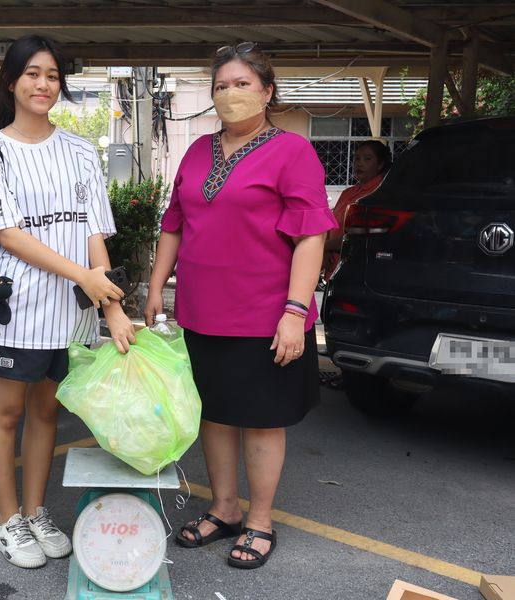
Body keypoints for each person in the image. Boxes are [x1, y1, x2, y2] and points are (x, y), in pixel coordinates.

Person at [144, 42, 337, 569]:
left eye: (242, 84)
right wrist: (156, 286)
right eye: (221, 86)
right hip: (202, 312)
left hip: (267, 315)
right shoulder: (197, 151)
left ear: (267, 91)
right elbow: (173, 223)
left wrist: (296, 311)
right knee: (216, 414)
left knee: (262, 419)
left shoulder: (293, 152)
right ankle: (224, 508)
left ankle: (260, 521)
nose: (230, 94)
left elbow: (311, 236)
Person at [0, 34, 135, 569]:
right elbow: (9, 235)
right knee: (6, 413)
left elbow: (93, 234)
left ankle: (36, 511)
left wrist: (110, 305)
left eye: (53, 76)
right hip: (17, 311)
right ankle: (8, 521)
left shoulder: (82, 151)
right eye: (33, 74)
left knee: (47, 412)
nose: (44, 84)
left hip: (73, 314)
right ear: (11, 82)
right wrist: (84, 277)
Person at [323, 140, 392, 281]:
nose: (359, 163)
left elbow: (360, 236)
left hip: (361, 271)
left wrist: (325, 246)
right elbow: (332, 225)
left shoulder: (380, 194)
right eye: (357, 158)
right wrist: (326, 251)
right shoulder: (348, 193)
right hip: (335, 269)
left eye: (367, 159)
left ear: (380, 165)